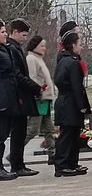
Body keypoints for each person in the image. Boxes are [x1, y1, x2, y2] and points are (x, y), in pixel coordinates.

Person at [6, 19, 41, 177]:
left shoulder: (15, 47)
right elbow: (18, 74)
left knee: (20, 132)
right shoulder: (11, 48)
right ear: (15, 32)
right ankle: (17, 165)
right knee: (18, 132)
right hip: (18, 95)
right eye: (23, 35)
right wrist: (34, 87)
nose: (25, 38)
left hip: (21, 94)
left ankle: (19, 164)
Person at [53, 30, 90, 177]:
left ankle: (71, 163)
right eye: (79, 44)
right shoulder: (72, 62)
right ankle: (62, 165)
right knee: (68, 135)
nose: (81, 47)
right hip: (70, 103)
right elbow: (76, 86)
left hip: (66, 101)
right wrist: (82, 105)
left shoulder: (64, 60)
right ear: (72, 45)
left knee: (73, 134)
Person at [24, 36, 56, 164]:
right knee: (33, 129)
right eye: (42, 46)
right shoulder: (31, 59)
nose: (44, 48)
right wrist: (38, 91)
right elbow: (32, 78)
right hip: (39, 99)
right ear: (35, 46)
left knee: (49, 129)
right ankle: (15, 152)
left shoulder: (39, 59)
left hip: (45, 99)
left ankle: (52, 154)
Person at [0, 19, 20, 181]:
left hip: (8, 96)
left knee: (3, 134)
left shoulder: (5, 49)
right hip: (2, 97)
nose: (5, 34)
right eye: (2, 32)